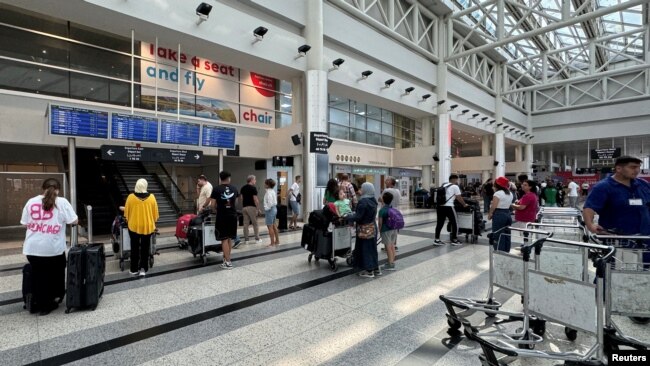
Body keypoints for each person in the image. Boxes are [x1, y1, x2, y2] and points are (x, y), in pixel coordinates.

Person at [20, 178, 78, 315]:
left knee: (39, 274)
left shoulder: (31, 201)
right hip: (53, 248)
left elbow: (24, 223)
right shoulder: (62, 202)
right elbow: (74, 220)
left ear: (42, 188)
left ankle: (37, 301)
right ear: (58, 189)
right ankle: (46, 304)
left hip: (32, 248)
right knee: (53, 274)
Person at [583, 156, 650, 237]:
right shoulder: (603, 187)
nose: (637, 170)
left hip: (645, 237)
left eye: (638, 167)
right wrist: (591, 225)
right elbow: (589, 208)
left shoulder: (643, 184)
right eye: (633, 167)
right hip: (617, 239)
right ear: (618, 168)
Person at [124, 178, 159, 277]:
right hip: (147, 227)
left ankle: (134, 269)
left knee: (134, 248)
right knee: (145, 248)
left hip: (134, 226)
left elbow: (126, 213)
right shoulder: (152, 197)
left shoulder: (131, 197)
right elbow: (155, 214)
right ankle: (144, 268)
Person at [346, 182, 379, 278]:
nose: (361, 189)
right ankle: (375, 268)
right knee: (372, 248)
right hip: (372, 227)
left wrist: (348, 217)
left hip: (364, 228)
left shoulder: (363, 201)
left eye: (362, 188)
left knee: (365, 248)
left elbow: (358, 216)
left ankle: (369, 271)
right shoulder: (373, 200)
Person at [209, 171, 239, 270]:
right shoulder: (234, 188)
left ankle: (228, 262)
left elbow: (212, 205)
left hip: (222, 216)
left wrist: (215, 210)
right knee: (229, 238)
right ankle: (226, 259)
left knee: (224, 239)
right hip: (233, 216)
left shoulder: (216, 189)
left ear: (220, 178)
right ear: (229, 178)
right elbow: (237, 202)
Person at [434, 174, 469, 246]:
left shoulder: (443, 185)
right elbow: (459, 197)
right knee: (454, 223)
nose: (457, 181)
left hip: (440, 207)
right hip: (449, 206)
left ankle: (437, 239)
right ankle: (454, 240)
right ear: (454, 179)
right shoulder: (455, 186)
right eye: (457, 179)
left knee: (439, 223)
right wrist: (464, 204)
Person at [488, 177, 513, 252]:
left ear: (497, 184)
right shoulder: (509, 193)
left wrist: (490, 214)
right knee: (507, 233)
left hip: (499, 214)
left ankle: (499, 250)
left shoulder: (498, 193)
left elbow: (494, 206)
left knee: (498, 233)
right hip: (507, 213)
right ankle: (506, 249)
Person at [378, 191, 398, 271]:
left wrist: (380, 231)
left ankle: (390, 265)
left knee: (388, 247)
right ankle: (392, 261)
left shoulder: (382, 211)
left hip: (386, 230)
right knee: (392, 245)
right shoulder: (392, 208)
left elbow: (380, 223)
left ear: (383, 199)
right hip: (394, 229)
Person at [239, 175, 262, 244]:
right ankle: (257, 239)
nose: (255, 181)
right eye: (255, 179)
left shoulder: (243, 188)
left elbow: (241, 198)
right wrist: (258, 209)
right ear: (251, 180)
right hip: (252, 207)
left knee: (245, 224)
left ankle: (246, 240)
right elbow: (255, 199)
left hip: (244, 207)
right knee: (255, 223)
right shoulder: (253, 188)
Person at [381, 176, 401, 251]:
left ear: (390, 182)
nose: (385, 181)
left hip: (387, 212)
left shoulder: (386, 190)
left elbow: (382, 201)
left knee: (387, 229)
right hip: (396, 211)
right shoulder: (398, 191)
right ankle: (394, 245)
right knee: (394, 229)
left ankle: (388, 246)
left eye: (387, 180)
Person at [263, 178, 280, 247]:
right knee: (274, 226)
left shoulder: (268, 192)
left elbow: (270, 203)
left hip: (270, 210)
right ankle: (277, 241)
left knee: (269, 226)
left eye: (265, 183)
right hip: (274, 209)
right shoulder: (272, 191)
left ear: (267, 185)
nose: (264, 184)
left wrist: (266, 208)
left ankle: (272, 243)